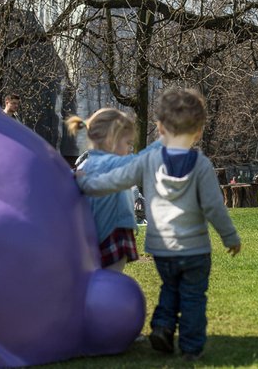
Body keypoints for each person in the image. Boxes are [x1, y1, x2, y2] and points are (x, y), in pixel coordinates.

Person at [77, 88, 241, 361]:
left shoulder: (147, 161)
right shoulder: (200, 165)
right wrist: (230, 236)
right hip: (195, 250)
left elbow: (114, 181)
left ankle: (163, 328)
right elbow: (214, 207)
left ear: (160, 128)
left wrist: (84, 183)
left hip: (162, 249)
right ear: (198, 132)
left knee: (168, 290)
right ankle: (190, 347)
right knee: (193, 297)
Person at [66, 108, 161, 272]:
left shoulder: (85, 164)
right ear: (112, 139)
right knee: (110, 281)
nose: (129, 149)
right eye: (127, 143)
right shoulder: (113, 163)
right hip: (114, 235)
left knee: (92, 281)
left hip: (90, 237)